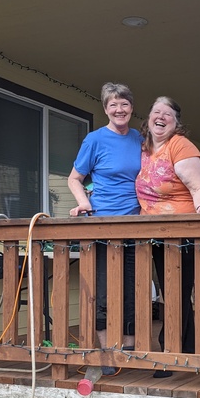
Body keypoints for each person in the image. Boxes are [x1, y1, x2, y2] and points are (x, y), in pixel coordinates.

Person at [135, 96, 200, 377]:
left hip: (180, 232)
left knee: (175, 292)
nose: (161, 116)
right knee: (175, 292)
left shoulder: (180, 146)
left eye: (168, 114)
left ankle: (168, 353)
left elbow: (198, 187)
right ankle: (189, 347)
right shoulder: (143, 149)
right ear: (148, 119)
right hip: (154, 233)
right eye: (156, 111)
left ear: (176, 122)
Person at [68, 83, 142, 372]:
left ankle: (129, 349)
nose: (119, 110)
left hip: (135, 225)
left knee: (133, 290)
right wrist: (83, 202)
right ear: (105, 109)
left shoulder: (140, 138)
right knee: (104, 290)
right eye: (113, 105)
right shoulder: (95, 140)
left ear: (131, 108)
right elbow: (75, 178)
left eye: (124, 104)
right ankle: (108, 351)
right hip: (102, 224)